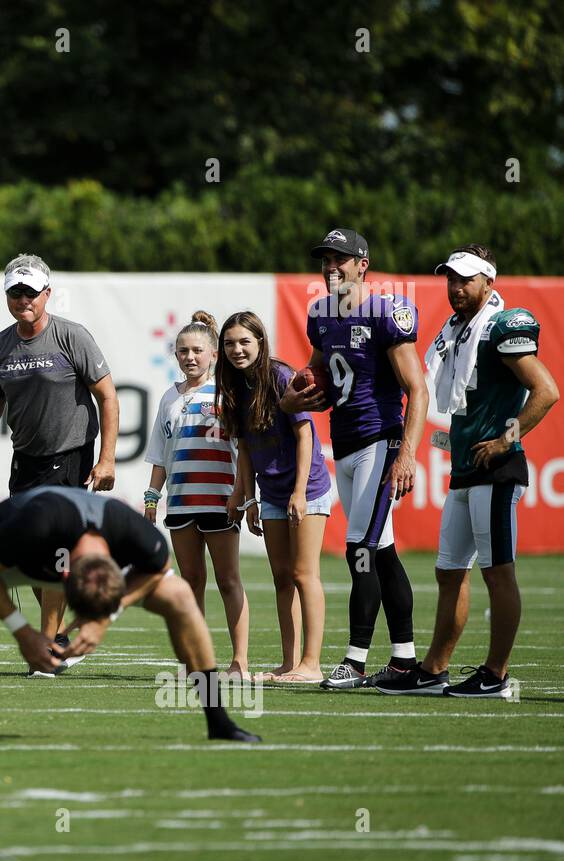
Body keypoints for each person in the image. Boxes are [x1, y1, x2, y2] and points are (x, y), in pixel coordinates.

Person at [0, 486, 260, 742]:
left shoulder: (135, 535)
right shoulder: (34, 526)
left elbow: (159, 571)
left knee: (178, 596)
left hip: (80, 554)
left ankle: (218, 719)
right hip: (10, 548)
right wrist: (22, 632)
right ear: (63, 576)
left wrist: (103, 619)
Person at [376, 245, 558, 697]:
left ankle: (496, 674)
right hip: (465, 468)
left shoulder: (500, 325)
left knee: (497, 571)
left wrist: (506, 438)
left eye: (466, 279)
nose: (455, 287)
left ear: (488, 281)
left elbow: (546, 390)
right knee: (449, 571)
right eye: (450, 279)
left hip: (495, 469)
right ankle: (435, 668)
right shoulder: (458, 329)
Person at [280, 227, 429, 690]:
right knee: (380, 552)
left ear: (362, 264)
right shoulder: (321, 313)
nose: (330, 268)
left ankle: (355, 660)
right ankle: (404, 660)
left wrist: (406, 456)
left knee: (359, 549)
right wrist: (297, 394)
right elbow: (319, 373)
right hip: (343, 442)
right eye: (325, 260)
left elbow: (417, 389)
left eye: (339, 260)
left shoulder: (388, 311)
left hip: (380, 440)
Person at [0, 253, 120, 651]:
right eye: (15, 292)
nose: (23, 299)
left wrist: (106, 458)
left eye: (30, 292)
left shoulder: (71, 336)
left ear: (47, 293)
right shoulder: (0, 346)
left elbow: (107, 397)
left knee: (56, 550)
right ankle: (58, 632)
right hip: (25, 461)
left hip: (70, 456)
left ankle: (48, 644)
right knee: (32, 557)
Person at [218, 312, 331, 683]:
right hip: (270, 493)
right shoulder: (235, 385)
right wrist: (247, 498)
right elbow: (246, 449)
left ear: (261, 342)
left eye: (244, 342)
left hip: (306, 488)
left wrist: (299, 492)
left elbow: (305, 435)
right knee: (282, 577)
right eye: (230, 343)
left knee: (303, 573)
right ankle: (289, 663)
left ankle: (311, 664)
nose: (237, 349)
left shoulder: (282, 376)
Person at [144, 311, 249, 677]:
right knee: (190, 583)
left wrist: (244, 496)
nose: (190, 357)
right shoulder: (168, 398)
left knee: (228, 580)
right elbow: (160, 455)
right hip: (181, 504)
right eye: (183, 351)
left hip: (220, 502)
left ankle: (239, 661)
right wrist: (152, 498)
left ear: (214, 354)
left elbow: (245, 449)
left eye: (198, 351)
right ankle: (199, 661)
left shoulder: (228, 392)